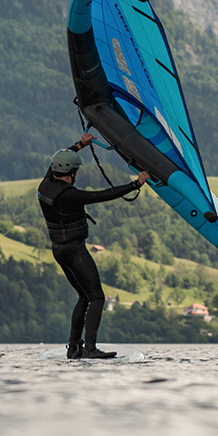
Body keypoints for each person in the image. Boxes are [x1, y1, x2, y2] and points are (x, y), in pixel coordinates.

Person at [37, 135, 149, 359]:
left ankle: (74, 347)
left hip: (58, 249)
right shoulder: (69, 195)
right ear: (71, 173)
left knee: (83, 296)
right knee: (96, 296)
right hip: (74, 250)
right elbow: (103, 195)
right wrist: (136, 183)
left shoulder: (46, 183)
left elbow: (59, 160)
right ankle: (90, 348)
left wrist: (80, 144)